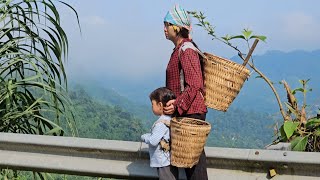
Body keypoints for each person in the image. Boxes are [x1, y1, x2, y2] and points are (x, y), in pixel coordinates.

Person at [162, 4, 208, 180]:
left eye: (167, 25)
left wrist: (177, 105)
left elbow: (194, 84)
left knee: (194, 166)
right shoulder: (179, 49)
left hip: (191, 113)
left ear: (176, 27)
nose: (164, 29)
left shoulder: (187, 50)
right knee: (191, 164)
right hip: (186, 113)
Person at [141, 87, 178, 180]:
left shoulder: (161, 123)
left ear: (160, 105)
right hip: (169, 159)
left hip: (163, 162)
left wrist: (144, 137)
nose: (152, 107)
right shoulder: (170, 120)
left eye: (152, 104)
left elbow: (153, 141)